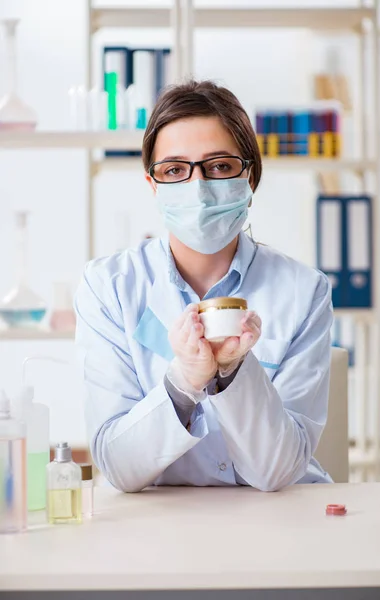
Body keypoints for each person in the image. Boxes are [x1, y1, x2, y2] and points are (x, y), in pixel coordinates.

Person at [75, 80, 333, 493]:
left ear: (250, 178)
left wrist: (232, 373)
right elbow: (119, 469)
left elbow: (279, 473)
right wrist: (183, 384)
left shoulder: (304, 291)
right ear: (153, 185)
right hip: (159, 528)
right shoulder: (110, 287)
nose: (198, 187)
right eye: (175, 169)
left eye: (219, 166)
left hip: (276, 521)